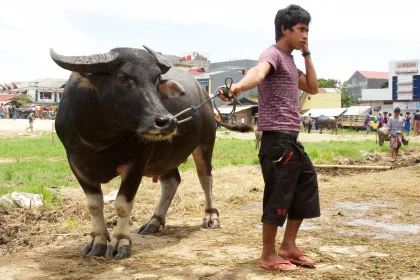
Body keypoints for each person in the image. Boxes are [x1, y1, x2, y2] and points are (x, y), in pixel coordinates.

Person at [218, 4, 319, 272]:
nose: (305, 35)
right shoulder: (272, 55)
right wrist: (238, 87)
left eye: (307, 30)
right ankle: (267, 255)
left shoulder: (290, 60)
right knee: (278, 195)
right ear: (284, 29)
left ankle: (288, 246)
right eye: (300, 30)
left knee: (305, 185)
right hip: (276, 139)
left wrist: (306, 53)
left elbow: (313, 87)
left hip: (291, 138)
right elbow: (258, 72)